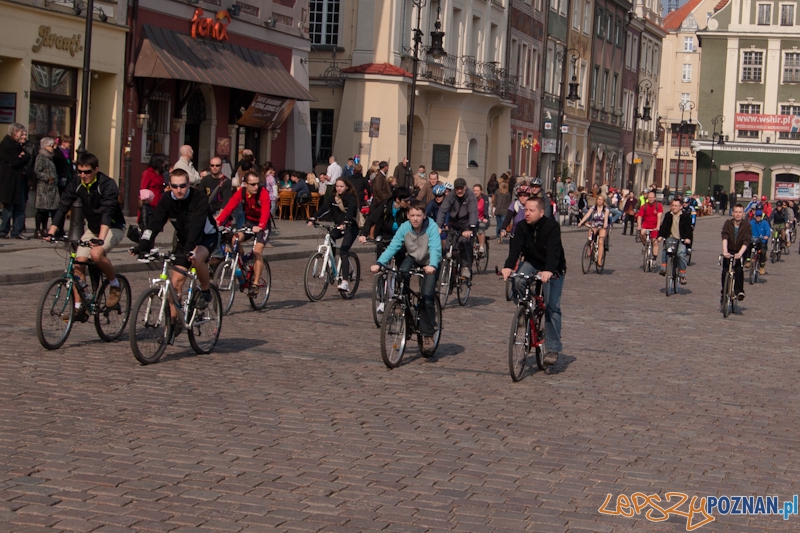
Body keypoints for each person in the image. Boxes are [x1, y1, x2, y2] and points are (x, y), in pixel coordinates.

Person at [131, 168, 218, 326]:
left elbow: (197, 227)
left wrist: (189, 250)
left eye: (183, 186)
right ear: (169, 185)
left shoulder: (198, 197)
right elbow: (156, 223)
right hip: (184, 239)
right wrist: (142, 245)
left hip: (205, 237)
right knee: (176, 282)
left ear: (189, 184)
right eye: (175, 186)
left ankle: (205, 291)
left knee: (197, 260)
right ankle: (173, 322)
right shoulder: (167, 199)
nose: (179, 190)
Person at [47, 152, 126, 314]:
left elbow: (107, 213)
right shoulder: (76, 183)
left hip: (113, 227)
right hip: (93, 228)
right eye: (80, 171)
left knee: (97, 254)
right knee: (78, 264)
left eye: (87, 172)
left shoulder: (107, 185)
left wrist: (100, 240)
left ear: (96, 170)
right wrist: (51, 232)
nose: (83, 175)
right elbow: (63, 206)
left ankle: (115, 285)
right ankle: (79, 306)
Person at [501, 197, 566, 367]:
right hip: (531, 263)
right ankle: (524, 308)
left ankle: (552, 348)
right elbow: (515, 249)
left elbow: (554, 252)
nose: (527, 213)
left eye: (531, 210)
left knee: (552, 307)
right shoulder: (522, 226)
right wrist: (508, 267)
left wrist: (549, 271)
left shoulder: (552, 227)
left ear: (541, 212)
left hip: (553, 268)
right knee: (519, 280)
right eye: (526, 210)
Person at [371, 199, 441, 352]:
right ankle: (404, 305)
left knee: (427, 295)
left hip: (430, 261)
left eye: (418, 215)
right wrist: (380, 262)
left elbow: (435, 248)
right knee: (402, 273)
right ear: (408, 215)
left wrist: (433, 265)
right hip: (414, 257)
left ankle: (428, 334)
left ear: (424, 215)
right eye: (412, 215)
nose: (415, 218)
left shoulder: (432, 227)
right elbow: (393, 246)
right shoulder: (404, 228)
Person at [215, 170, 271, 297]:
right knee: (235, 239)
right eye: (252, 184)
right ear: (245, 184)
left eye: (257, 184)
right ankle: (241, 261)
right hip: (249, 222)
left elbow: (266, 211)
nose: (256, 187)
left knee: (257, 251)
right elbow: (229, 207)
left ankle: (255, 284)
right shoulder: (241, 192)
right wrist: (218, 221)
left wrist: (261, 226)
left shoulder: (263, 193)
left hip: (263, 224)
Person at [309, 178, 360, 291]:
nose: (339, 188)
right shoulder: (333, 197)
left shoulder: (350, 197)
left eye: (341, 186)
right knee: (330, 235)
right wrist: (314, 217)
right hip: (338, 226)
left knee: (343, 251)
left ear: (346, 187)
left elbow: (351, 211)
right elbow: (325, 208)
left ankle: (345, 282)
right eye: (337, 186)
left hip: (351, 227)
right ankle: (331, 263)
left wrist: (346, 222)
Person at [436, 177, 478, 279]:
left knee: (464, 243)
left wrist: (471, 228)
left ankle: (465, 267)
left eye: (461, 188)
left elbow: (473, 211)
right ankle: (449, 273)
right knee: (448, 248)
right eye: (457, 188)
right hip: (454, 225)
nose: (459, 190)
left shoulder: (471, 196)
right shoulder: (451, 195)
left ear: (465, 187)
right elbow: (442, 210)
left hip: (467, 226)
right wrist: (438, 226)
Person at [0, 123, 31, 239]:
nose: (23, 135)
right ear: (15, 132)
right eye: (21, 133)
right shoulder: (7, 144)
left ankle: (17, 231)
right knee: (9, 207)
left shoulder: (17, 145)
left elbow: (27, 156)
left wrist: (23, 156)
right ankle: (3, 230)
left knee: (20, 206)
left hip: (18, 180)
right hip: (9, 180)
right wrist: (21, 157)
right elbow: (15, 162)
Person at [657, 198, 693, 283]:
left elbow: (689, 229)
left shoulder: (685, 216)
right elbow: (664, 227)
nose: (674, 207)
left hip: (681, 239)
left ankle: (682, 274)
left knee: (681, 254)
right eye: (672, 205)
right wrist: (660, 236)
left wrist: (688, 238)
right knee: (666, 249)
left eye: (676, 206)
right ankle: (664, 267)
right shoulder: (668, 215)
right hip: (670, 237)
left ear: (681, 207)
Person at [721, 204, 751, 301]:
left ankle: (739, 291)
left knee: (738, 269)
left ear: (743, 214)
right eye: (736, 212)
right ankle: (724, 292)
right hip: (729, 250)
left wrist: (740, 253)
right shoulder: (728, 223)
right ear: (733, 213)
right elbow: (725, 237)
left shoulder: (746, 225)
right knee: (725, 271)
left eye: (740, 212)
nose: (738, 214)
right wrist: (725, 251)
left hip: (740, 250)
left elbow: (746, 240)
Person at [32, 137, 60, 239]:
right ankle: (37, 229)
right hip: (44, 187)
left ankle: (44, 228)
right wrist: (47, 178)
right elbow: (37, 170)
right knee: (41, 209)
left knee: (47, 210)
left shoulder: (50, 157)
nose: (54, 148)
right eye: (52, 146)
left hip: (51, 187)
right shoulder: (41, 156)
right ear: (45, 146)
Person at [577, 194, 609, 266]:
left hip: (602, 226)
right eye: (598, 199)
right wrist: (581, 222)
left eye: (601, 200)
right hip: (594, 225)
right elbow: (587, 215)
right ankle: (591, 248)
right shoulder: (593, 208)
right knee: (590, 236)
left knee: (601, 241)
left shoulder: (606, 209)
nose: (599, 201)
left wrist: (605, 224)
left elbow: (606, 217)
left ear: (603, 201)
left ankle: (599, 260)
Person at [637, 191, 664, 261]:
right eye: (649, 197)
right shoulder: (644, 206)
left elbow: (659, 217)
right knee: (642, 234)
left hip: (654, 226)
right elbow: (639, 217)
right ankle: (646, 245)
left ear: (655, 198)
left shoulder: (659, 206)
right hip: (646, 225)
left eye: (652, 197)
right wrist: (639, 226)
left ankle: (654, 259)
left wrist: (658, 227)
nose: (650, 199)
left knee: (655, 242)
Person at [749, 209, 770, 276]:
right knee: (746, 247)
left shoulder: (765, 223)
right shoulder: (751, 222)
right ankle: (748, 260)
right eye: (757, 216)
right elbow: (746, 229)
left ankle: (761, 267)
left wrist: (767, 236)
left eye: (759, 216)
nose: (758, 217)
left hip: (762, 241)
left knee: (763, 252)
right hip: (753, 240)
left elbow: (768, 230)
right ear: (755, 216)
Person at [473, 184, 491, 253]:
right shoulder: (471, 199)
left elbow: (486, 209)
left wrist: (485, 218)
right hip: (474, 219)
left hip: (483, 219)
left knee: (481, 227)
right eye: (474, 191)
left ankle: (481, 247)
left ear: (481, 191)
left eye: (477, 190)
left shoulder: (484, 199)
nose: (476, 192)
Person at [492, 178, 512, 243]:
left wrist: (493, 209)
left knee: (498, 224)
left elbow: (495, 202)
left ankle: (498, 236)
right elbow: (509, 203)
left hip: (498, 210)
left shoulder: (497, 192)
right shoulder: (508, 193)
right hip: (505, 211)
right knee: (503, 225)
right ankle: (501, 236)